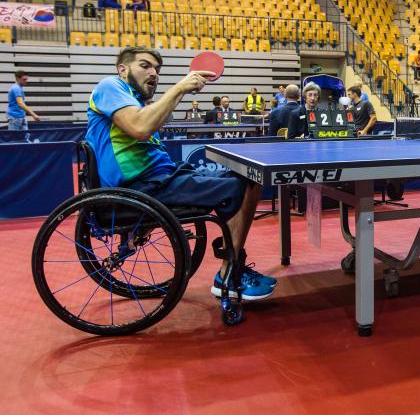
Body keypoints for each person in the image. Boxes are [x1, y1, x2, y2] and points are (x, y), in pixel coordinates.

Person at [84, 46, 276, 301]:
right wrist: (179, 88)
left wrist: (178, 92)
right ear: (123, 69)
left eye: (156, 69)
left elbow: (145, 124)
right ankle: (230, 274)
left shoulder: (136, 101)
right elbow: (140, 127)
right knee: (237, 187)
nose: (153, 72)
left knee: (249, 176)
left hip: (162, 177)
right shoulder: (110, 86)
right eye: (145, 65)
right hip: (144, 186)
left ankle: (233, 266)